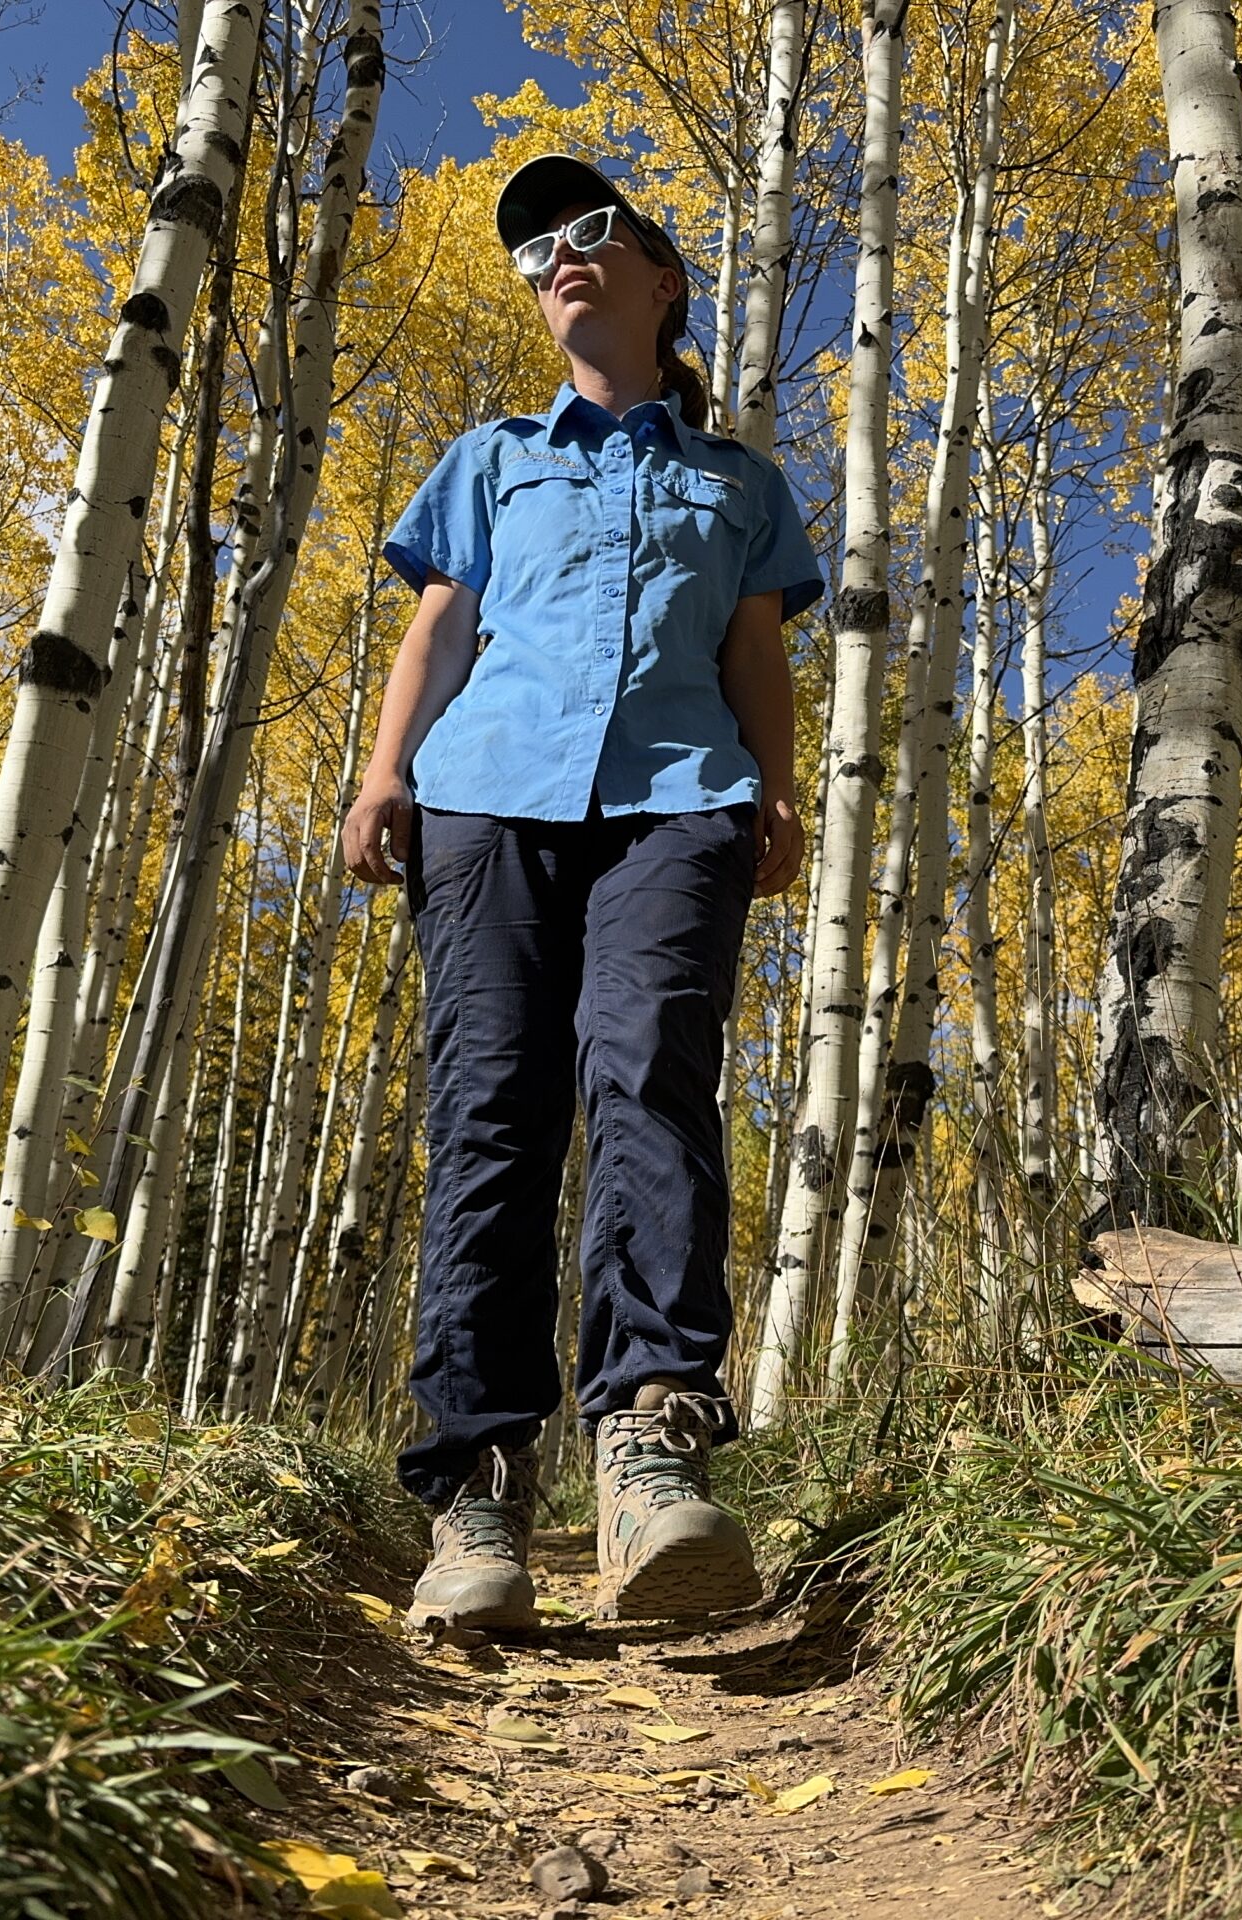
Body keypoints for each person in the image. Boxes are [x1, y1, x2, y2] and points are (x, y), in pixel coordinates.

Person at [340, 153, 824, 1628]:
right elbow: (440, 628)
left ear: (663, 278)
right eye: (535, 245)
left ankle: (652, 1456)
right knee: (492, 1102)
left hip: (681, 803)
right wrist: (383, 773)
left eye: (590, 228)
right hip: (487, 801)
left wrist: (777, 784)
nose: (559, 252)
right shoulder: (490, 459)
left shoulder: (738, 482)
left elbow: (754, 655)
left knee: (649, 1078)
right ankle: (475, 1494)